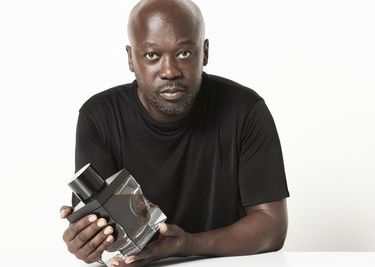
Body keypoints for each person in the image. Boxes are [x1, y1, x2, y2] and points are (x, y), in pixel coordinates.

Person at [60, 0, 289, 266]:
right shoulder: (99, 117)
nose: (169, 72)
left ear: (204, 52)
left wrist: (186, 245)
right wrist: (88, 242)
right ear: (130, 59)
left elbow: (272, 226)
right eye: (151, 56)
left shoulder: (245, 110)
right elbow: (104, 235)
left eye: (184, 53)